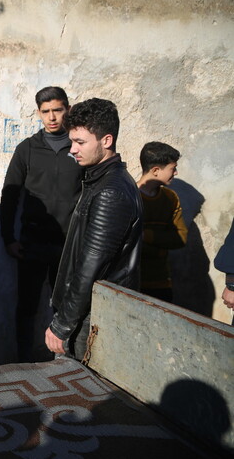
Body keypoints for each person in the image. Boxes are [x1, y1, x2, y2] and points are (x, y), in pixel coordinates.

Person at [45, 98, 142, 361]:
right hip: (86, 313)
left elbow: (91, 266)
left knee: (79, 392)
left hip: (91, 317)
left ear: (106, 141)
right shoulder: (99, 180)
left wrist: (62, 324)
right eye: (72, 141)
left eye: (80, 142)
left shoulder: (111, 191)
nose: (72, 149)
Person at [0, 86, 83, 362]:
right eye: (46, 111)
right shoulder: (27, 149)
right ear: (38, 113)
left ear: (67, 109)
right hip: (32, 244)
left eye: (57, 110)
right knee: (27, 305)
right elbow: (10, 194)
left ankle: (66, 358)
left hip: (69, 244)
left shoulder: (79, 147)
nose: (52, 117)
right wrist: (8, 238)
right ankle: (23, 358)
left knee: (67, 305)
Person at [136, 142, 188, 303]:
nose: (176, 172)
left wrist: (146, 235)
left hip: (161, 282)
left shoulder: (170, 198)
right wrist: (158, 248)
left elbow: (180, 237)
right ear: (156, 171)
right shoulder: (129, 195)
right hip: (132, 282)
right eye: (173, 168)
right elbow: (124, 241)